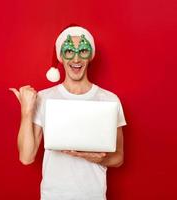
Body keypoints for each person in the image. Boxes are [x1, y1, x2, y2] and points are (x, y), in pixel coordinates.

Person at [9, 25, 127, 200]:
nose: (76, 58)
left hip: (93, 196)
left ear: (91, 56)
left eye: (83, 51)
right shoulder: (44, 98)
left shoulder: (110, 99)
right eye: (69, 52)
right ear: (61, 57)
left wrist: (98, 159)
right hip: (53, 196)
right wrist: (26, 111)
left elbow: (118, 158)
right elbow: (26, 157)